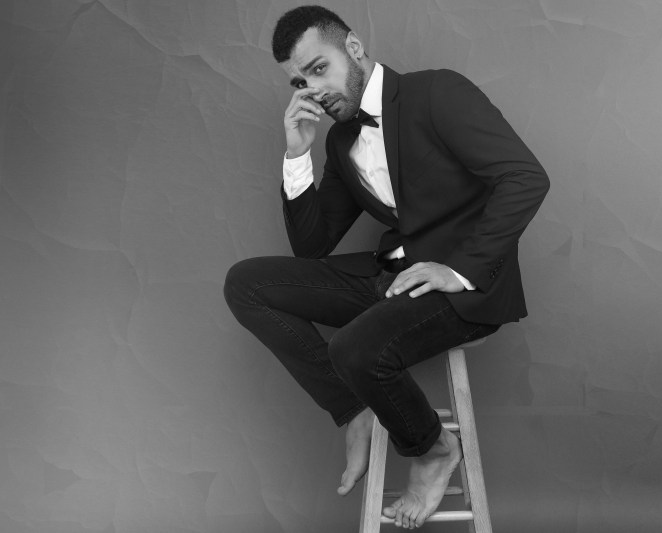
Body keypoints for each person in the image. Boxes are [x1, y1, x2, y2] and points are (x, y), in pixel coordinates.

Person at [223, 5, 549, 529]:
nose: (312, 89)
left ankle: (434, 450)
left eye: (319, 68)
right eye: (299, 80)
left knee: (353, 346)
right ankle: (352, 408)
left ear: (353, 48)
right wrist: (296, 154)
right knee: (247, 284)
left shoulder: (436, 92)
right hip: (393, 277)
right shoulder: (340, 138)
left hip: (463, 289)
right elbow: (312, 244)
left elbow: (525, 177)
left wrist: (458, 269)